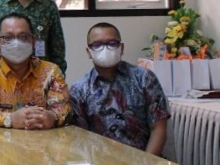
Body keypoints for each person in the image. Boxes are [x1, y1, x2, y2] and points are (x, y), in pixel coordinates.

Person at [70, 23, 170, 154]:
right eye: (97, 45)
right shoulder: (79, 90)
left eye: (112, 43)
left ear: (121, 48)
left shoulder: (144, 78)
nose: (105, 48)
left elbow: (158, 128)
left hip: (145, 162)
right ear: (89, 52)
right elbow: (81, 138)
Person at [0, 13, 71, 129]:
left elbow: (65, 110)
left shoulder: (51, 72)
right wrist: (8, 119)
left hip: (39, 142)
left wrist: (52, 117)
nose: (16, 43)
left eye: (23, 37)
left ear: (33, 41)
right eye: (8, 37)